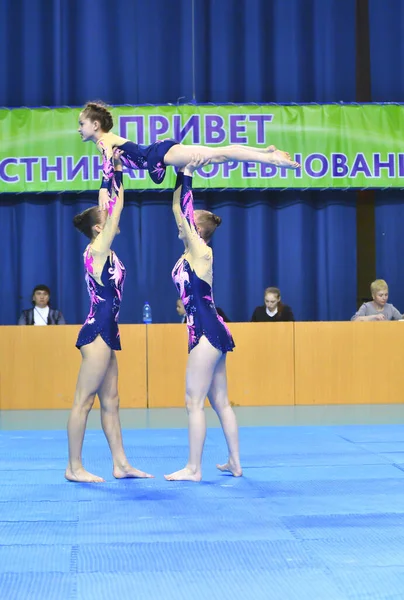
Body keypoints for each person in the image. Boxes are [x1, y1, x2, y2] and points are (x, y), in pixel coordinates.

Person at [65, 150, 153, 483]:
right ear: (100, 227)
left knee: (111, 401)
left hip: (108, 329)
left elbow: (107, 199)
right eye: (108, 216)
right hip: (97, 330)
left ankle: (121, 464)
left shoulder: (105, 248)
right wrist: (119, 170)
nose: (114, 216)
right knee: (83, 401)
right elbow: (115, 207)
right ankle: (73, 466)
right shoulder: (97, 249)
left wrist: (108, 172)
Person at [165, 155, 242, 482]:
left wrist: (186, 173)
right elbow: (178, 212)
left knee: (193, 401)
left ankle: (194, 469)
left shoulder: (201, 252)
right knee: (220, 400)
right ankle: (235, 463)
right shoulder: (191, 254)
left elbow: (180, 212)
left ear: (197, 230)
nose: (181, 223)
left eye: (188, 221)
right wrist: (180, 176)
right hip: (211, 327)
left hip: (206, 331)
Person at [77, 102, 300, 199]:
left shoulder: (103, 140)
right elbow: (114, 162)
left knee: (219, 154)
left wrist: (104, 189)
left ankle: (271, 158)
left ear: (95, 125)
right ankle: (267, 153)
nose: (79, 129)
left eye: (81, 124)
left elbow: (107, 160)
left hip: (159, 154)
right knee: (219, 153)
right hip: (160, 154)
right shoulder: (108, 140)